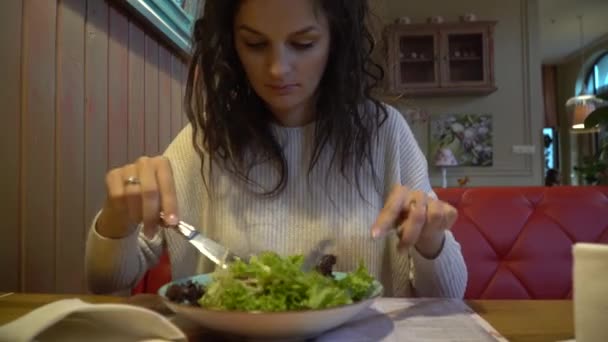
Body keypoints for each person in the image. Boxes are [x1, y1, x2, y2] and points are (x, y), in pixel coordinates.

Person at [86, 0, 467, 298]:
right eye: (254, 43)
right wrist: (117, 217)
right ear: (232, 44)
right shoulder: (205, 140)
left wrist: (430, 240)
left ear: (336, 40)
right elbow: (104, 280)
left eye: (303, 44)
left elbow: (449, 294)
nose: (277, 69)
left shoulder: (385, 133)